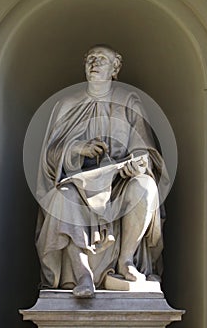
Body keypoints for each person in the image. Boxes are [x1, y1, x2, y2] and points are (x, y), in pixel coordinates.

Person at [35, 45, 168, 297]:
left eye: (102, 59)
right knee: (64, 195)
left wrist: (134, 165)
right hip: (77, 184)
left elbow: (145, 152)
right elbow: (49, 158)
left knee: (145, 187)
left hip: (118, 184)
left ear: (115, 68)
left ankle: (125, 261)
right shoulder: (67, 105)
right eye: (90, 59)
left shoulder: (129, 102)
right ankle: (81, 273)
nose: (95, 63)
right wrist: (77, 149)